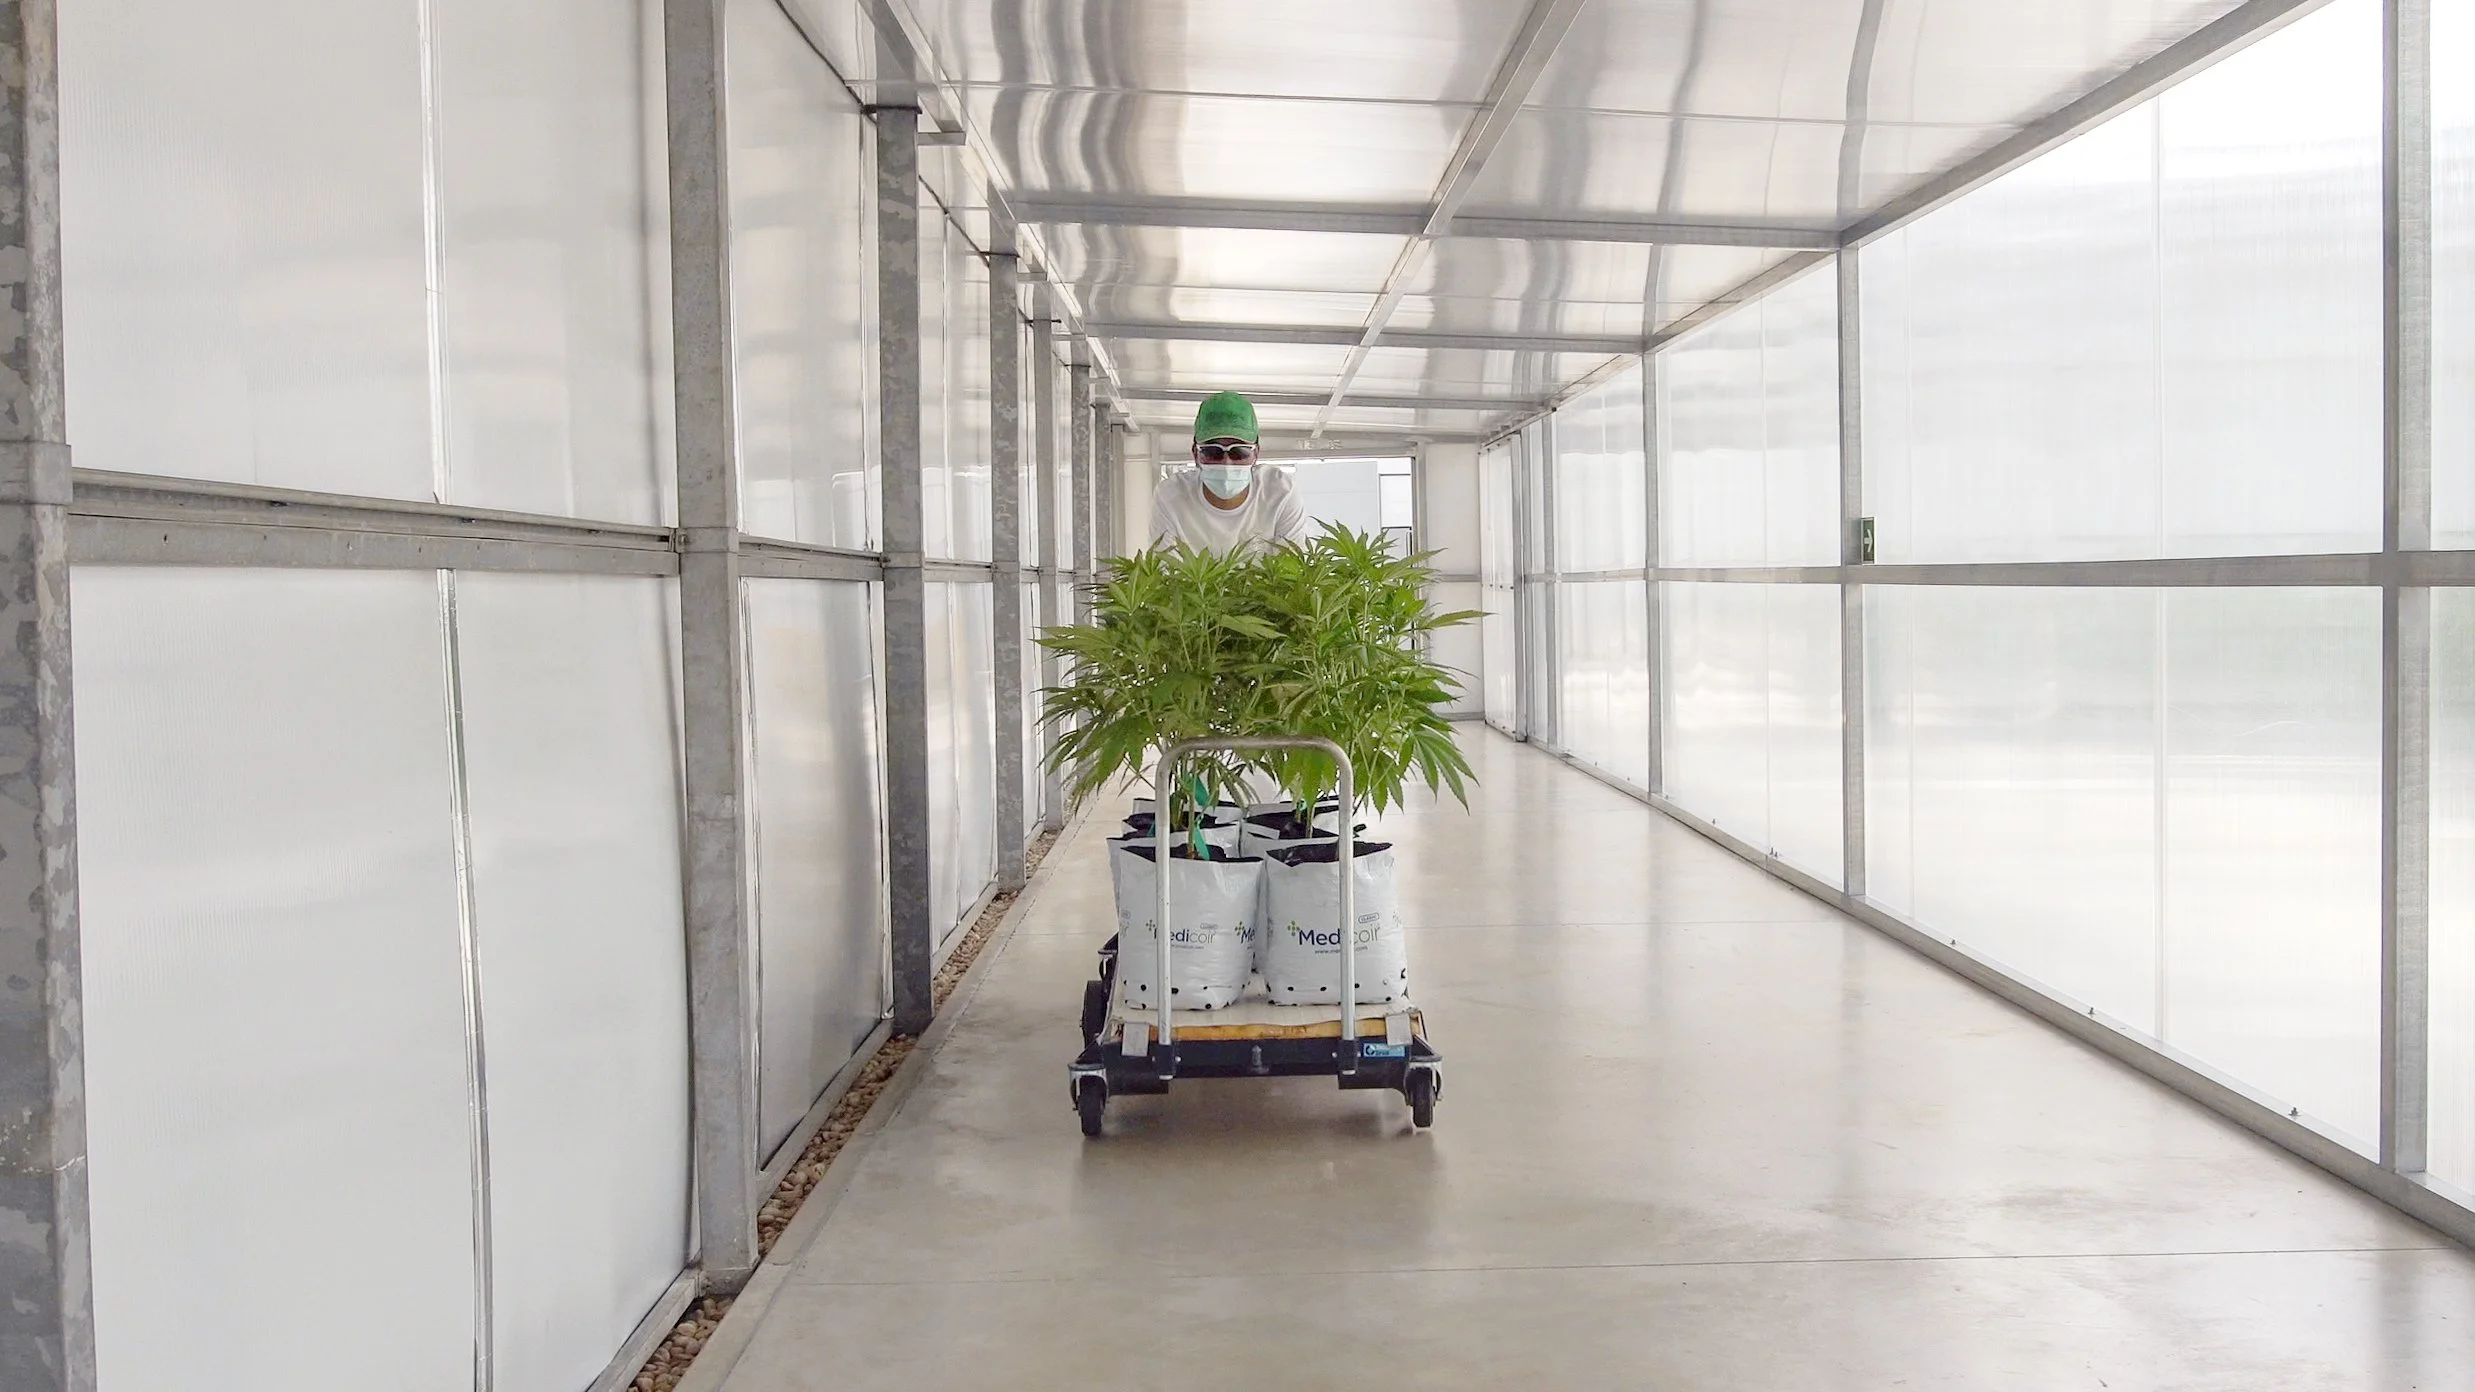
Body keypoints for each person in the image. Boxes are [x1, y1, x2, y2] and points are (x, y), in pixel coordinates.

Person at [1149, 390, 1311, 555]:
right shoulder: (1170, 497)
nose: (1227, 462)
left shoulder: (1280, 493)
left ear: (1256, 453)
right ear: (1195, 453)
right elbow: (1165, 572)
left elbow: (1292, 571)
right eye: (1213, 451)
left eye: (1239, 451)